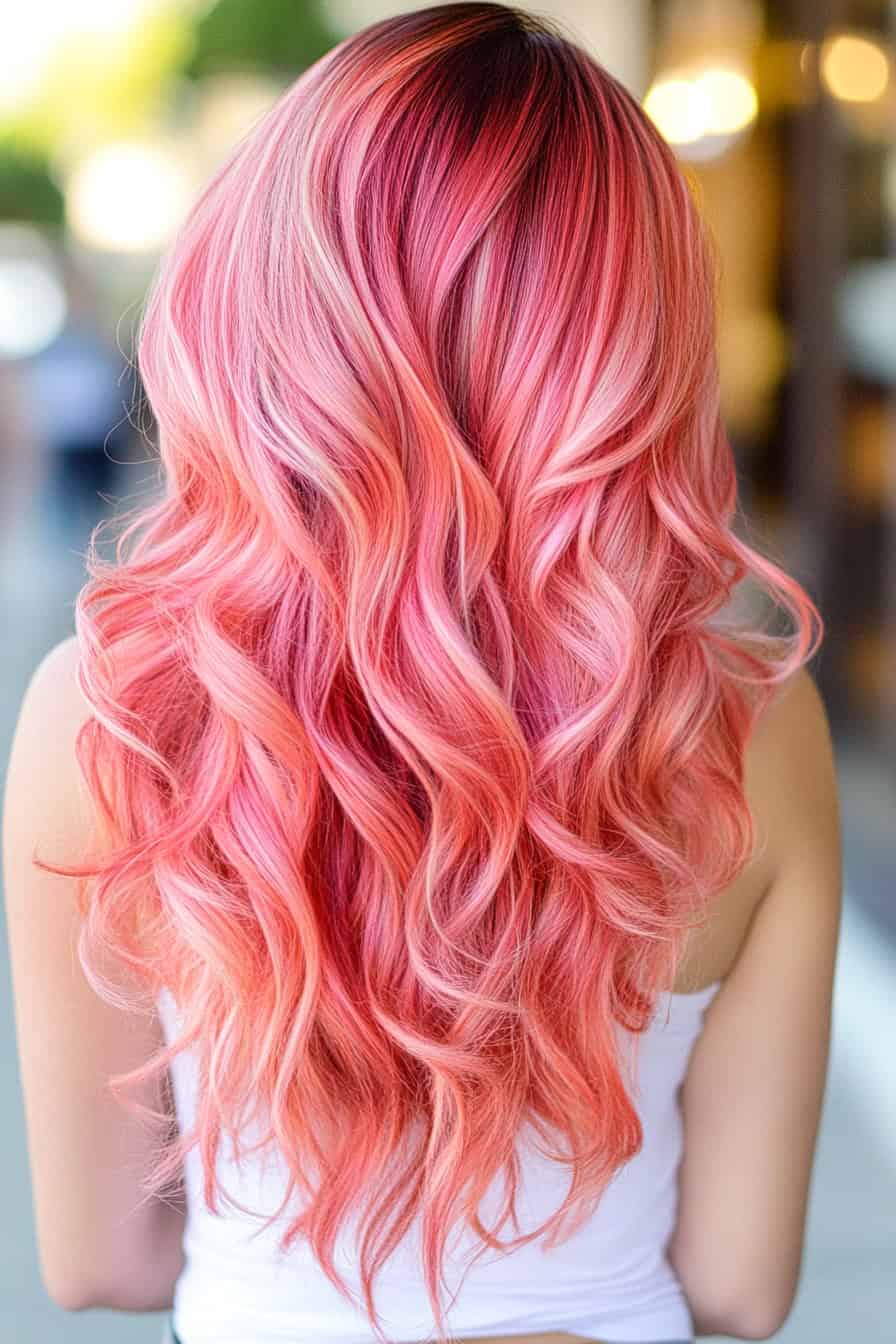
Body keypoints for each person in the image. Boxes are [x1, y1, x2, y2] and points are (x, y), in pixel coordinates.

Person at [2, 5, 842, 1344]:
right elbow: (741, 1284)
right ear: (632, 339)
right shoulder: (747, 724)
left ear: (261, 298)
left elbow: (100, 1261)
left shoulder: (107, 711)